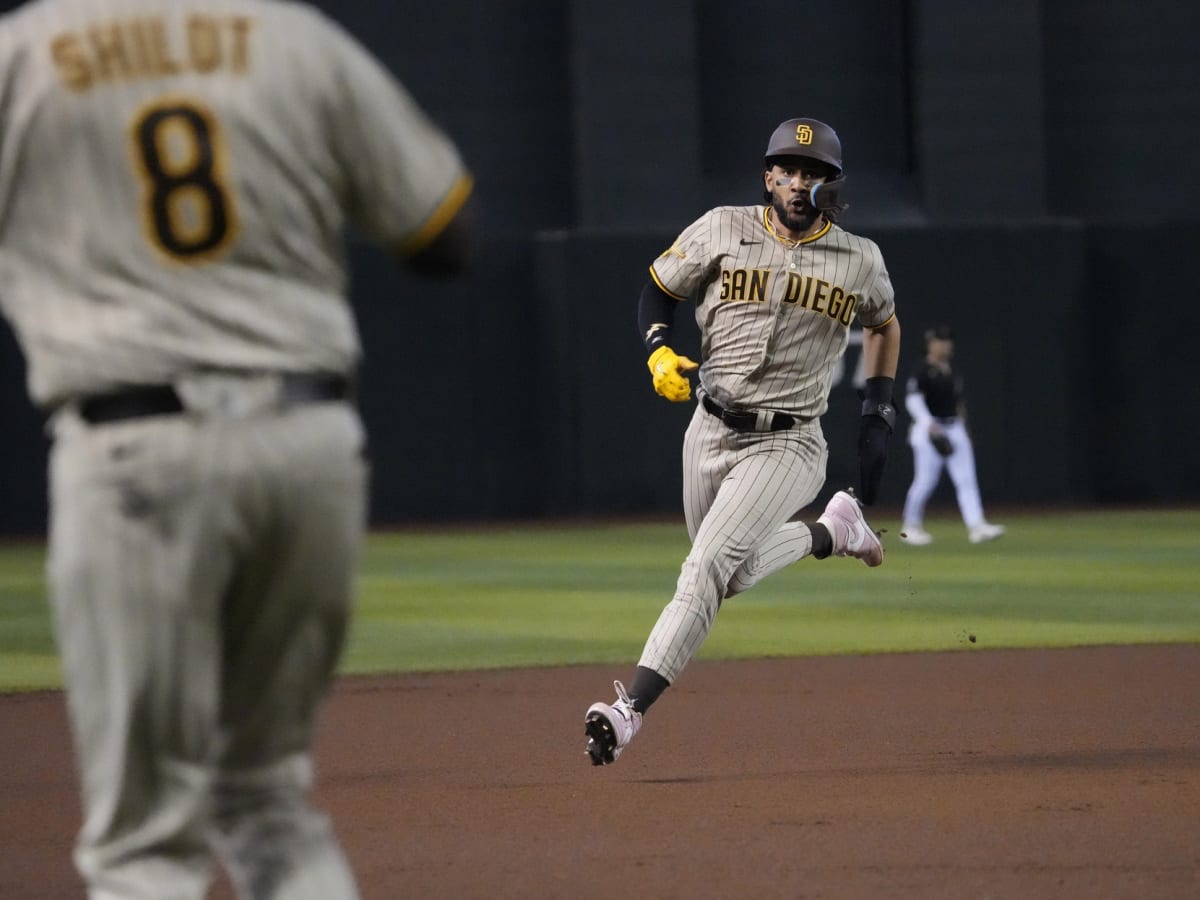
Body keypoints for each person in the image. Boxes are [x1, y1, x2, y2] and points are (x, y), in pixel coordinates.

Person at [0, 1, 472, 897]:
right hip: (309, 443)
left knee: (144, 847)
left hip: (134, 445)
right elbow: (441, 233)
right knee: (266, 807)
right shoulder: (293, 37)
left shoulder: (23, 53)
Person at [583, 118, 902, 766]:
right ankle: (833, 531)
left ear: (830, 185)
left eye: (813, 172)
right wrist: (657, 353)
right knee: (730, 575)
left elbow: (884, 325)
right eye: (787, 168)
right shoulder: (721, 228)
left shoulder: (858, 259)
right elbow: (658, 290)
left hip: (789, 443)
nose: (798, 180)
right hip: (709, 427)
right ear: (768, 176)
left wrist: (877, 408)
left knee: (703, 570)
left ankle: (628, 710)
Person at [900, 326, 1005, 545]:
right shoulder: (922, 369)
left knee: (966, 480)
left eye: (948, 341)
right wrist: (928, 424)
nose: (946, 345)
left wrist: (964, 431)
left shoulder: (951, 370)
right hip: (929, 429)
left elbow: (958, 404)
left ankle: (977, 526)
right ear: (930, 344)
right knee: (925, 481)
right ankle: (910, 526)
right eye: (940, 341)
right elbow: (913, 400)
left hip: (954, 427)